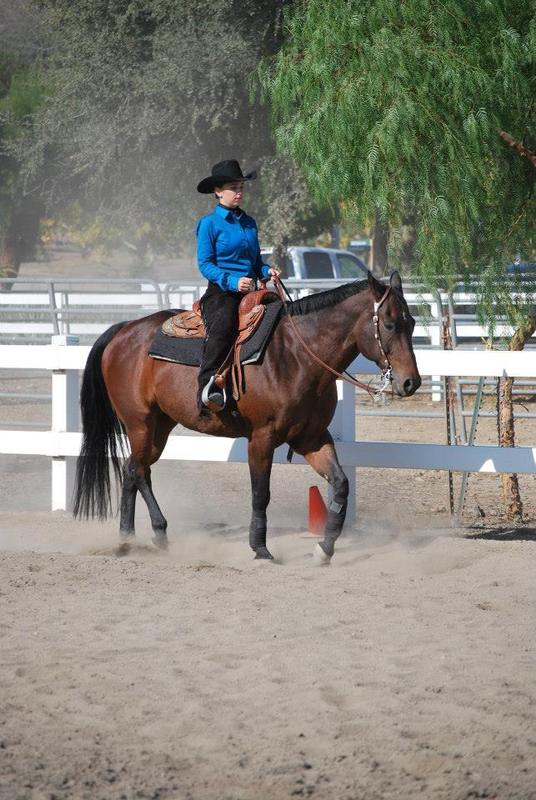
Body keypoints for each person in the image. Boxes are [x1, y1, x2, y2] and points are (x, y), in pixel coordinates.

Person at [196, 159, 279, 412]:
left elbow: (255, 262)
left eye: (241, 187)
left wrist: (267, 270)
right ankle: (208, 388)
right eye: (234, 187)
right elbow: (205, 264)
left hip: (253, 290)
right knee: (223, 327)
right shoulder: (209, 224)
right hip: (221, 293)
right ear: (218, 191)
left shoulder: (249, 222)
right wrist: (233, 281)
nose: (239, 192)